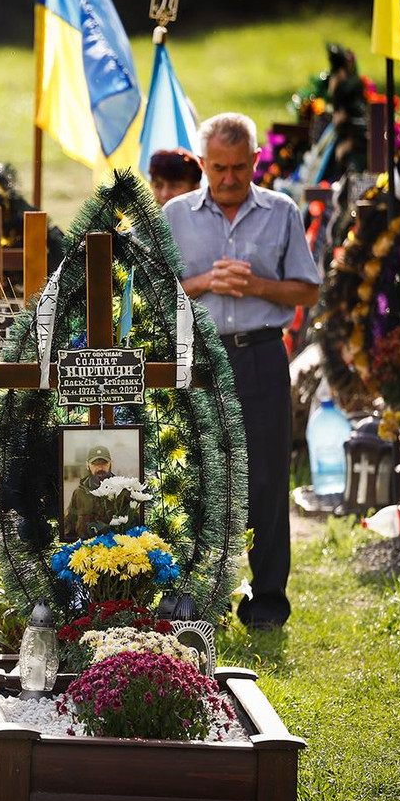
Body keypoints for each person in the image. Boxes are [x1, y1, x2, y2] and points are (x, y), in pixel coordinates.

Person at [164, 113, 321, 630]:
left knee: (268, 478)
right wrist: (206, 280)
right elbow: (156, 295)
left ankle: (268, 603)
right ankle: (196, 599)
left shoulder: (281, 212)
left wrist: (256, 287)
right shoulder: (174, 215)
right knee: (192, 475)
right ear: (203, 162)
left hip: (261, 355)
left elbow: (307, 290)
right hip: (199, 357)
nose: (228, 179)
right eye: (217, 168)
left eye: (238, 168)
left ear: (256, 161)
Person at [63, 445, 117, 540]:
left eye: (104, 463)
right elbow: (69, 525)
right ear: (87, 465)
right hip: (85, 549)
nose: (100, 468)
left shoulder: (121, 491)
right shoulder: (79, 493)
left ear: (111, 464)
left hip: (115, 549)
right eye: (95, 463)